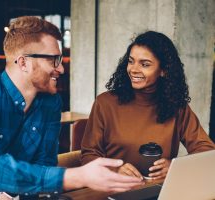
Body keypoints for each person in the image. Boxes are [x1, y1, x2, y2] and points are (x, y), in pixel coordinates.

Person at [0, 16, 143, 199]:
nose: (61, 69)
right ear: (24, 63)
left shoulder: (50, 103)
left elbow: (43, 167)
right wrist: (79, 176)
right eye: (54, 60)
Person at [81, 31, 215, 180]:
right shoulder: (105, 103)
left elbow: (206, 150)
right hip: (114, 187)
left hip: (158, 190)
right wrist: (115, 169)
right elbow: (89, 155)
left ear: (163, 70)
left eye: (145, 64)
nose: (133, 69)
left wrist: (175, 166)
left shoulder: (176, 106)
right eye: (131, 61)